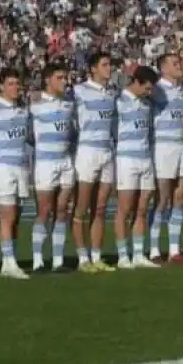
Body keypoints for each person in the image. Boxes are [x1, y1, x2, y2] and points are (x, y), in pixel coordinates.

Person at [0, 68, 30, 279]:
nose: (15, 87)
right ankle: (8, 262)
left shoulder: (24, 111)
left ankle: (11, 259)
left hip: (21, 167)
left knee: (16, 217)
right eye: (10, 84)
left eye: (17, 84)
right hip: (1, 168)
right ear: (1, 86)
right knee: (7, 216)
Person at [72, 52, 117, 273]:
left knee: (100, 209)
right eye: (105, 65)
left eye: (110, 65)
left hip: (107, 152)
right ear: (93, 69)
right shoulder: (79, 91)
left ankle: (97, 256)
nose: (109, 69)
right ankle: (82, 259)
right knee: (81, 209)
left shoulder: (111, 93)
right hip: (87, 152)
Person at [29, 63, 75, 273]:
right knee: (45, 211)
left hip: (65, 161)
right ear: (48, 80)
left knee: (62, 210)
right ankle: (38, 259)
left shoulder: (68, 104)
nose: (64, 81)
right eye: (60, 78)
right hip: (46, 163)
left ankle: (58, 260)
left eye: (65, 77)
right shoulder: (35, 106)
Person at [113, 66, 159, 269]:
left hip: (145, 159)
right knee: (125, 209)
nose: (149, 93)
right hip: (126, 160)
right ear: (136, 82)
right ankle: (123, 256)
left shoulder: (146, 104)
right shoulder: (119, 102)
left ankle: (139, 254)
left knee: (142, 208)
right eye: (147, 88)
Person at [149, 53, 183, 264]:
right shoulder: (156, 90)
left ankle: (174, 249)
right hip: (163, 146)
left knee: (180, 196)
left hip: (180, 145)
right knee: (162, 199)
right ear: (164, 68)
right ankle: (154, 249)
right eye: (175, 64)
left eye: (180, 62)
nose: (179, 66)